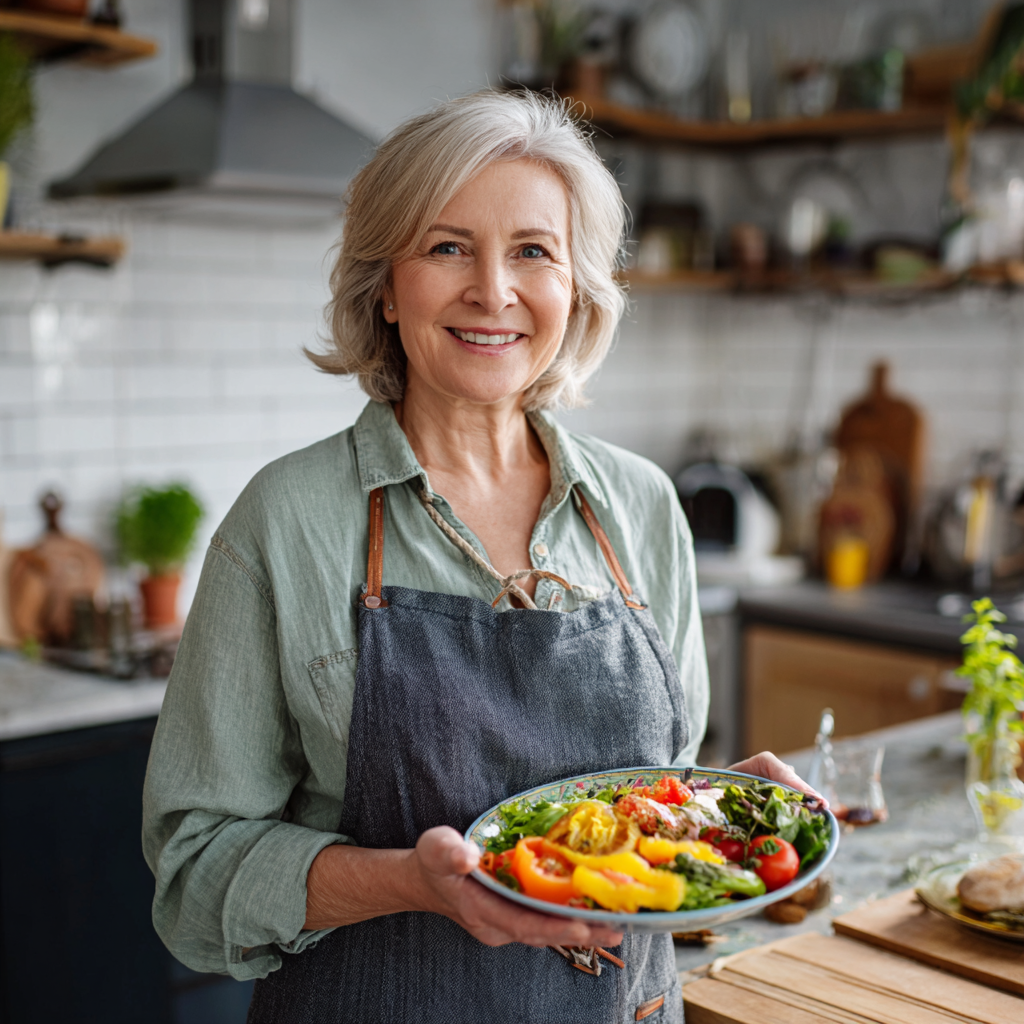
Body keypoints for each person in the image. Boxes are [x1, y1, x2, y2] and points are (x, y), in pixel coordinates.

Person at [142, 90, 816, 1024]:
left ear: (575, 286)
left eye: (533, 251)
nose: (493, 291)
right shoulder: (286, 522)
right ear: (385, 284)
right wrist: (410, 882)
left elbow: (646, 801)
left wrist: (735, 814)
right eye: (447, 246)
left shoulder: (643, 508)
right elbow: (194, 876)